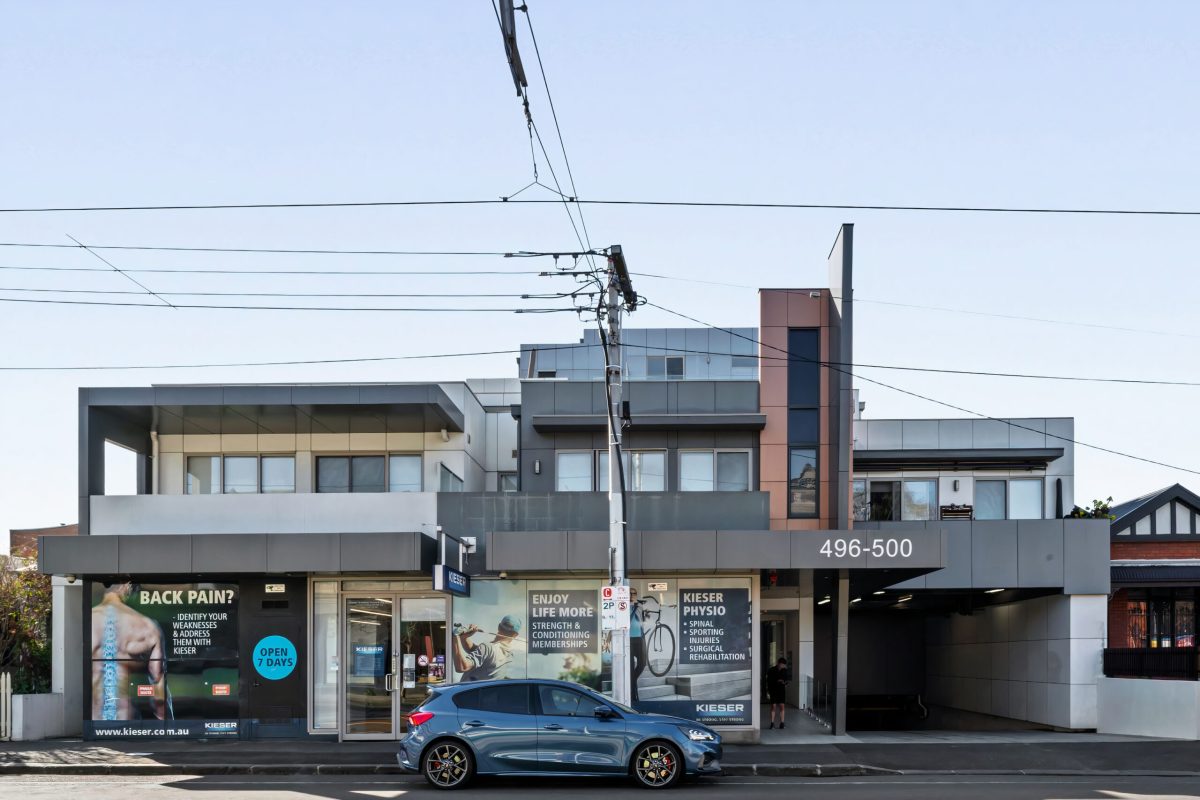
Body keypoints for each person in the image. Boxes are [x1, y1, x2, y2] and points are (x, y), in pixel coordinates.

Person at [90, 583, 168, 721]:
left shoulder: (89, 621)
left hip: (94, 717)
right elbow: (157, 678)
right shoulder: (146, 625)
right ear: (125, 587)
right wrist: (162, 718)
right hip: (125, 715)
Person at [453, 615, 521, 681]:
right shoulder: (510, 655)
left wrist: (456, 636)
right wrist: (464, 637)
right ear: (515, 635)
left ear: (499, 627)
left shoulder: (488, 647)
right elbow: (475, 650)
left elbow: (462, 667)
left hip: (468, 691)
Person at [629, 588, 646, 701]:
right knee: (630, 667)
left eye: (633, 593)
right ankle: (633, 697)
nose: (631, 595)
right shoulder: (622, 606)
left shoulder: (639, 607)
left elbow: (644, 619)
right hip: (628, 640)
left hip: (639, 638)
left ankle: (631, 681)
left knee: (642, 663)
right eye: (629, 593)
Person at [765, 657, 791, 729]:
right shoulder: (771, 670)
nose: (783, 666)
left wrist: (785, 683)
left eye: (784, 665)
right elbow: (768, 681)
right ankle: (772, 723)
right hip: (773, 690)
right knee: (773, 706)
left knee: (782, 706)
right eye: (782, 664)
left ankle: (782, 723)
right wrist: (777, 681)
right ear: (779, 663)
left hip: (781, 690)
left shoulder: (785, 670)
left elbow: (786, 680)